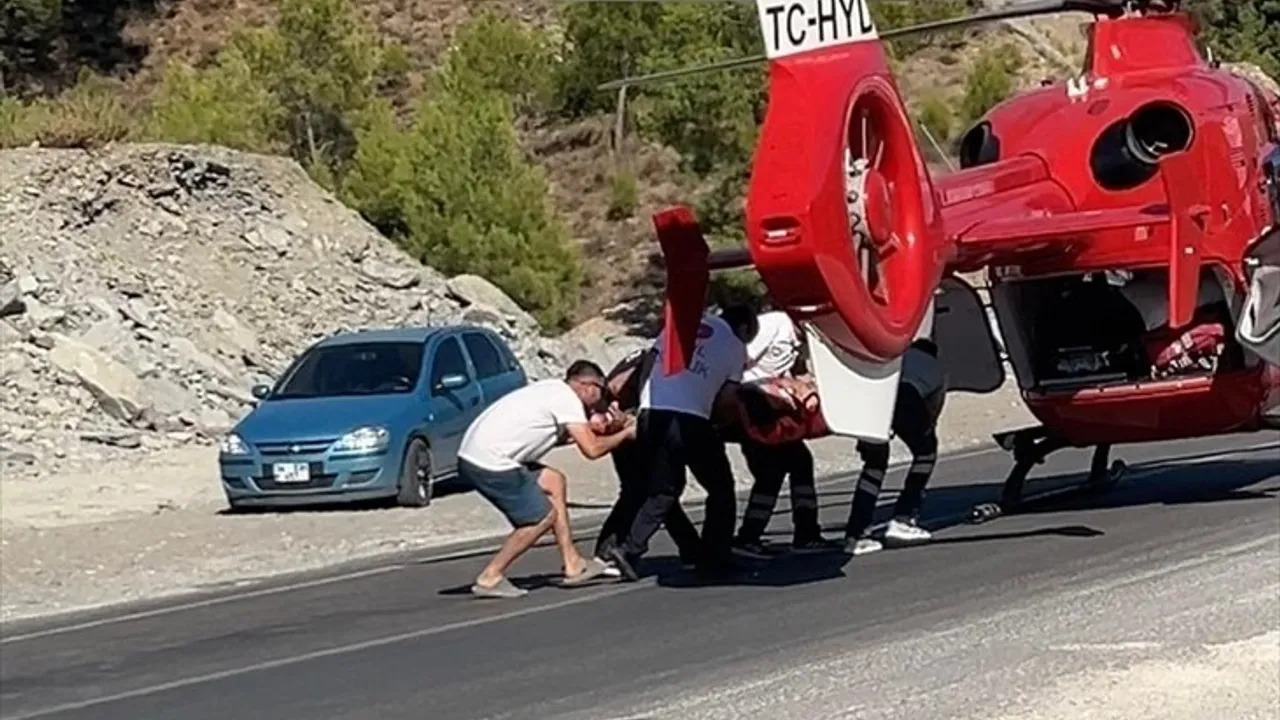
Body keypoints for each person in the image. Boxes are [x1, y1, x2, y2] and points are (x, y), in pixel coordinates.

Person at [606, 306, 759, 581]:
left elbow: (650, 360)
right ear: (745, 329)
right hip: (690, 419)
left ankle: (629, 549)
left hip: (651, 414)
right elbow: (727, 399)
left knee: (663, 491)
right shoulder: (736, 346)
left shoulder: (684, 323)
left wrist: (644, 402)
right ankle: (716, 555)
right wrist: (719, 424)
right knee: (721, 487)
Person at [458, 360, 635, 598]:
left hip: (480, 452)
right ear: (588, 386)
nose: (600, 401)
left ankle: (572, 563)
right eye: (601, 392)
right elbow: (592, 450)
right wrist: (625, 434)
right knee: (540, 518)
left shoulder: (552, 390)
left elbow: (558, 435)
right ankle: (490, 576)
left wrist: (604, 430)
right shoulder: (568, 400)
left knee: (554, 481)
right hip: (489, 461)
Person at [732, 310, 840, 557]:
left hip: (776, 409)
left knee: (790, 466)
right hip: (755, 406)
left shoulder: (800, 341)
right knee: (778, 469)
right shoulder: (775, 324)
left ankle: (795, 532)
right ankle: (757, 535)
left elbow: (795, 371)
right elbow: (739, 360)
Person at [593, 347, 703, 568]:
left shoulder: (641, 354)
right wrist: (631, 418)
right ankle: (611, 551)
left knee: (655, 491)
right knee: (656, 491)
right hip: (639, 425)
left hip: (627, 423)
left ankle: (692, 549)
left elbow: (613, 385)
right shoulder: (657, 357)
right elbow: (628, 389)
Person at [843, 337, 947, 556]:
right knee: (925, 454)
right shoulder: (937, 369)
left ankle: (856, 534)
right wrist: (922, 436)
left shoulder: (899, 357)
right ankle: (904, 518)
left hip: (877, 398)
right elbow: (931, 413)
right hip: (909, 397)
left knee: (874, 463)